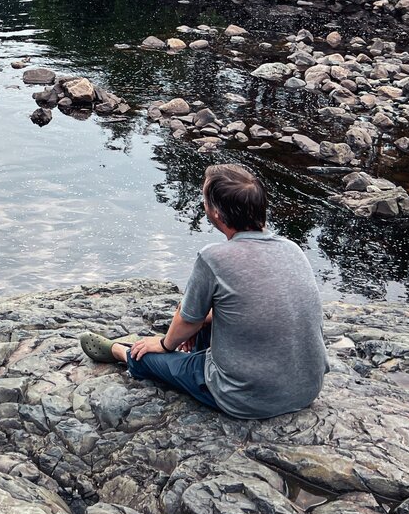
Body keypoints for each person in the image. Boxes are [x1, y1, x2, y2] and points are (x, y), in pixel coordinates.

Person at [80, 163, 328, 419]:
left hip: (248, 398)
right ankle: (196, 355)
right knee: (204, 320)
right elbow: (254, 307)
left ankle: (122, 352)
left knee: (153, 357)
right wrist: (200, 323)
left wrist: (165, 344)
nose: (203, 206)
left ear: (217, 213)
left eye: (205, 200)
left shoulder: (214, 258)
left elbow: (187, 318)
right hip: (307, 389)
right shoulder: (292, 249)